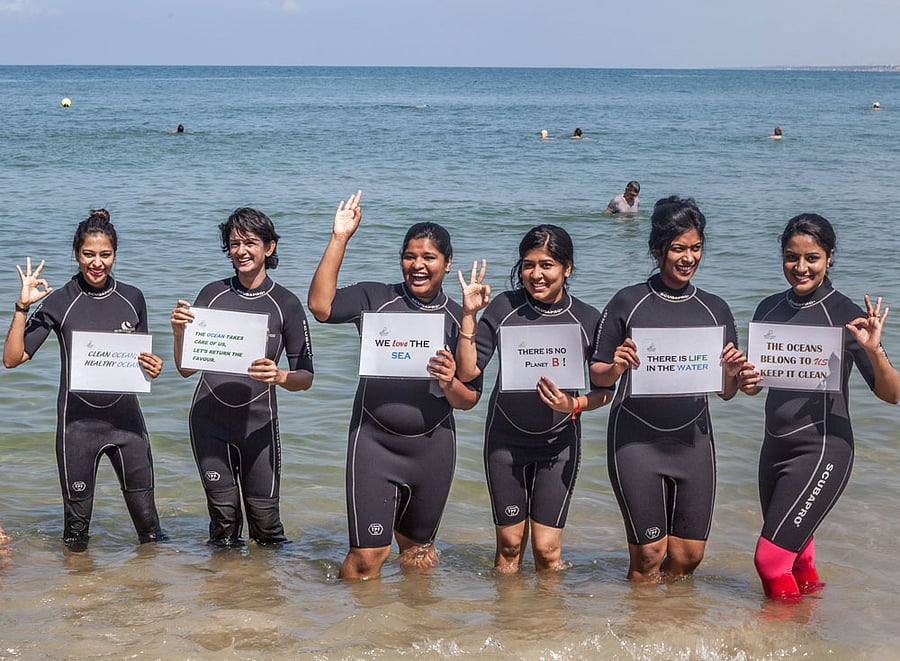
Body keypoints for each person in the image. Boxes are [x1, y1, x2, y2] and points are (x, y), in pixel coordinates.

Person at [308, 191, 481, 579]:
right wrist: (340, 238)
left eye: (428, 257)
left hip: (433, 448)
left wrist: (449, 379)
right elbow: (320, 307)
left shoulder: (461, 317)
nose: (417, 265)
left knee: (419, 557)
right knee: (367, 558)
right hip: (374, 443)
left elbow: (469, 399)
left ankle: (404, 634)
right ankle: (352, 634)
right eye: (409, 256)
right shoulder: (376, 299)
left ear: (447, 263)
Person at [738, 214, 900, 601]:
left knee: (770, 559)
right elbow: (761, 385)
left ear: (829, 257)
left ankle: (775, 643)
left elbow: (892, 394)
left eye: (812, 257)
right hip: (774, 449)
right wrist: (746, 382)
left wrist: (873, 349)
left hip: (823, 449)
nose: (800, 267)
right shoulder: (768, 309)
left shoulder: (845, 315)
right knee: (797, 556)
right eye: (792, 257)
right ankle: (810, 631)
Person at [591, 196, 745, 582]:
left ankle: (674, 629)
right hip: (635, 442)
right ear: (658, 250)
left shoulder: (716, 309)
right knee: (648, 556)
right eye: (678, 248)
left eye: (695, 249)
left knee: (688, 556)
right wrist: (617, 365)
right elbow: (597, 374)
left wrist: (732, 373)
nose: (688, 258)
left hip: (692, 443)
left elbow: (727, 393)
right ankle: (641, 632)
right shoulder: (629, 301)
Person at [3, 210, 167, 551]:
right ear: (76, 254)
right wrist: (21, 306)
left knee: (150, 532)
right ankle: (79, 599)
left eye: (104, 254)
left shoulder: (132, 298)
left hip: (127, 427)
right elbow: (12, 359)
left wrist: (152, 366)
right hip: (77, 427)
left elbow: (139, 363)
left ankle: (153, 599)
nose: (97, 263)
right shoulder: (60, 300)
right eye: (88, 254)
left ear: (115, 254)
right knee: (76, 535)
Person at [455, 225, 612, 572]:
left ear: (567, 268)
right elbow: (467, 373)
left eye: (547, 265)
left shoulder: (587, 318)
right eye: (528, 265)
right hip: (506, 441)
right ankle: (510, 623)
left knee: (547, 551)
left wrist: (573, 405)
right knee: (509, 549)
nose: (536, 275)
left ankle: (547, 625)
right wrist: (469, 314)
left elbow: (606, 392)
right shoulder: (503, 307)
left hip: (559, 445)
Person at [170, 207, 314, 547]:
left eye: (250, 242)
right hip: (209, 424)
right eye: (234, 243)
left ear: (270, 247)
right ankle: (225, 595)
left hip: (259, 427)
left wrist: (280, 376)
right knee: (224, 522)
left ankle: (268, 596)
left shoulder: (286, 304)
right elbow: (185, 368)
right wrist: (179, 334)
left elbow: (306, 376)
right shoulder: (212, 295)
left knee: (267, 528)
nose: (241, 251)